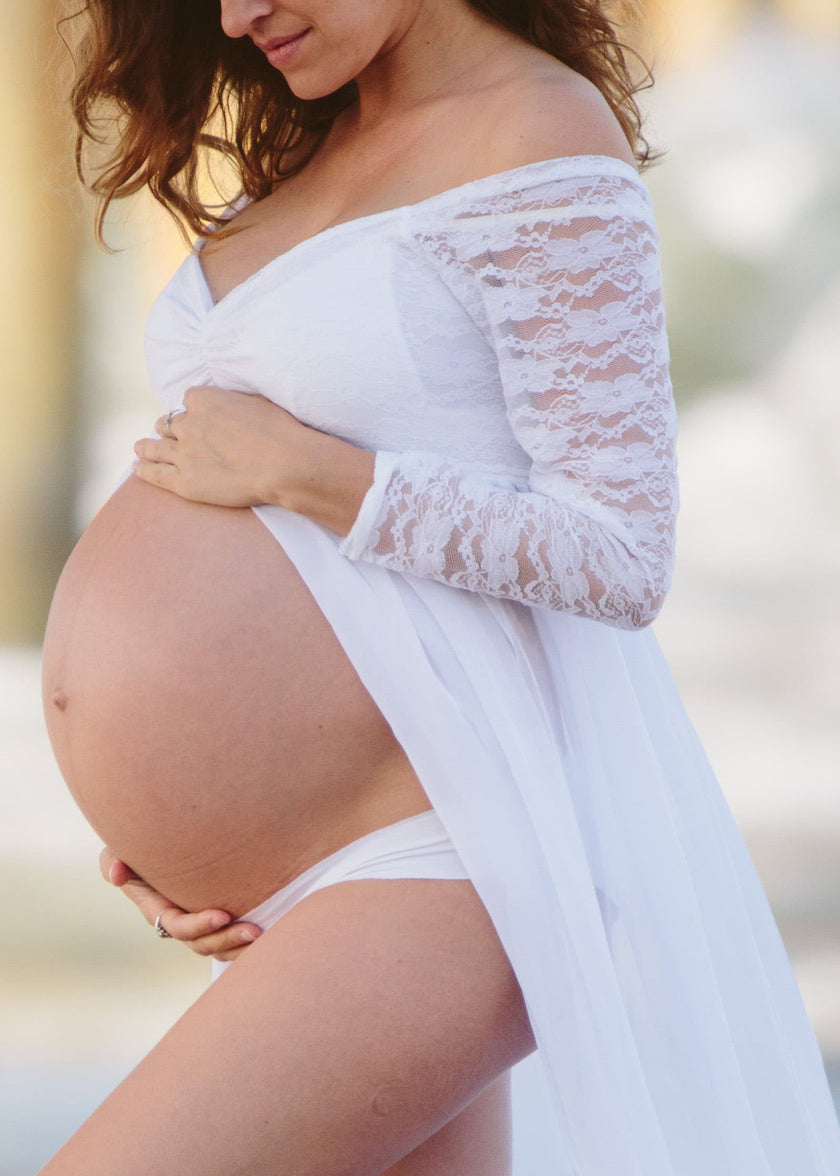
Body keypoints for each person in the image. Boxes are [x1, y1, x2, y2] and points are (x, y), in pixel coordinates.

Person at [39, 1, 840, 1173]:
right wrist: (177, 833)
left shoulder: (535, 128)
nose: (237, 16)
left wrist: (314, 474)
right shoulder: (310, 148)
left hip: (441, 859)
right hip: (307, 888)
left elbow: (620, 550)